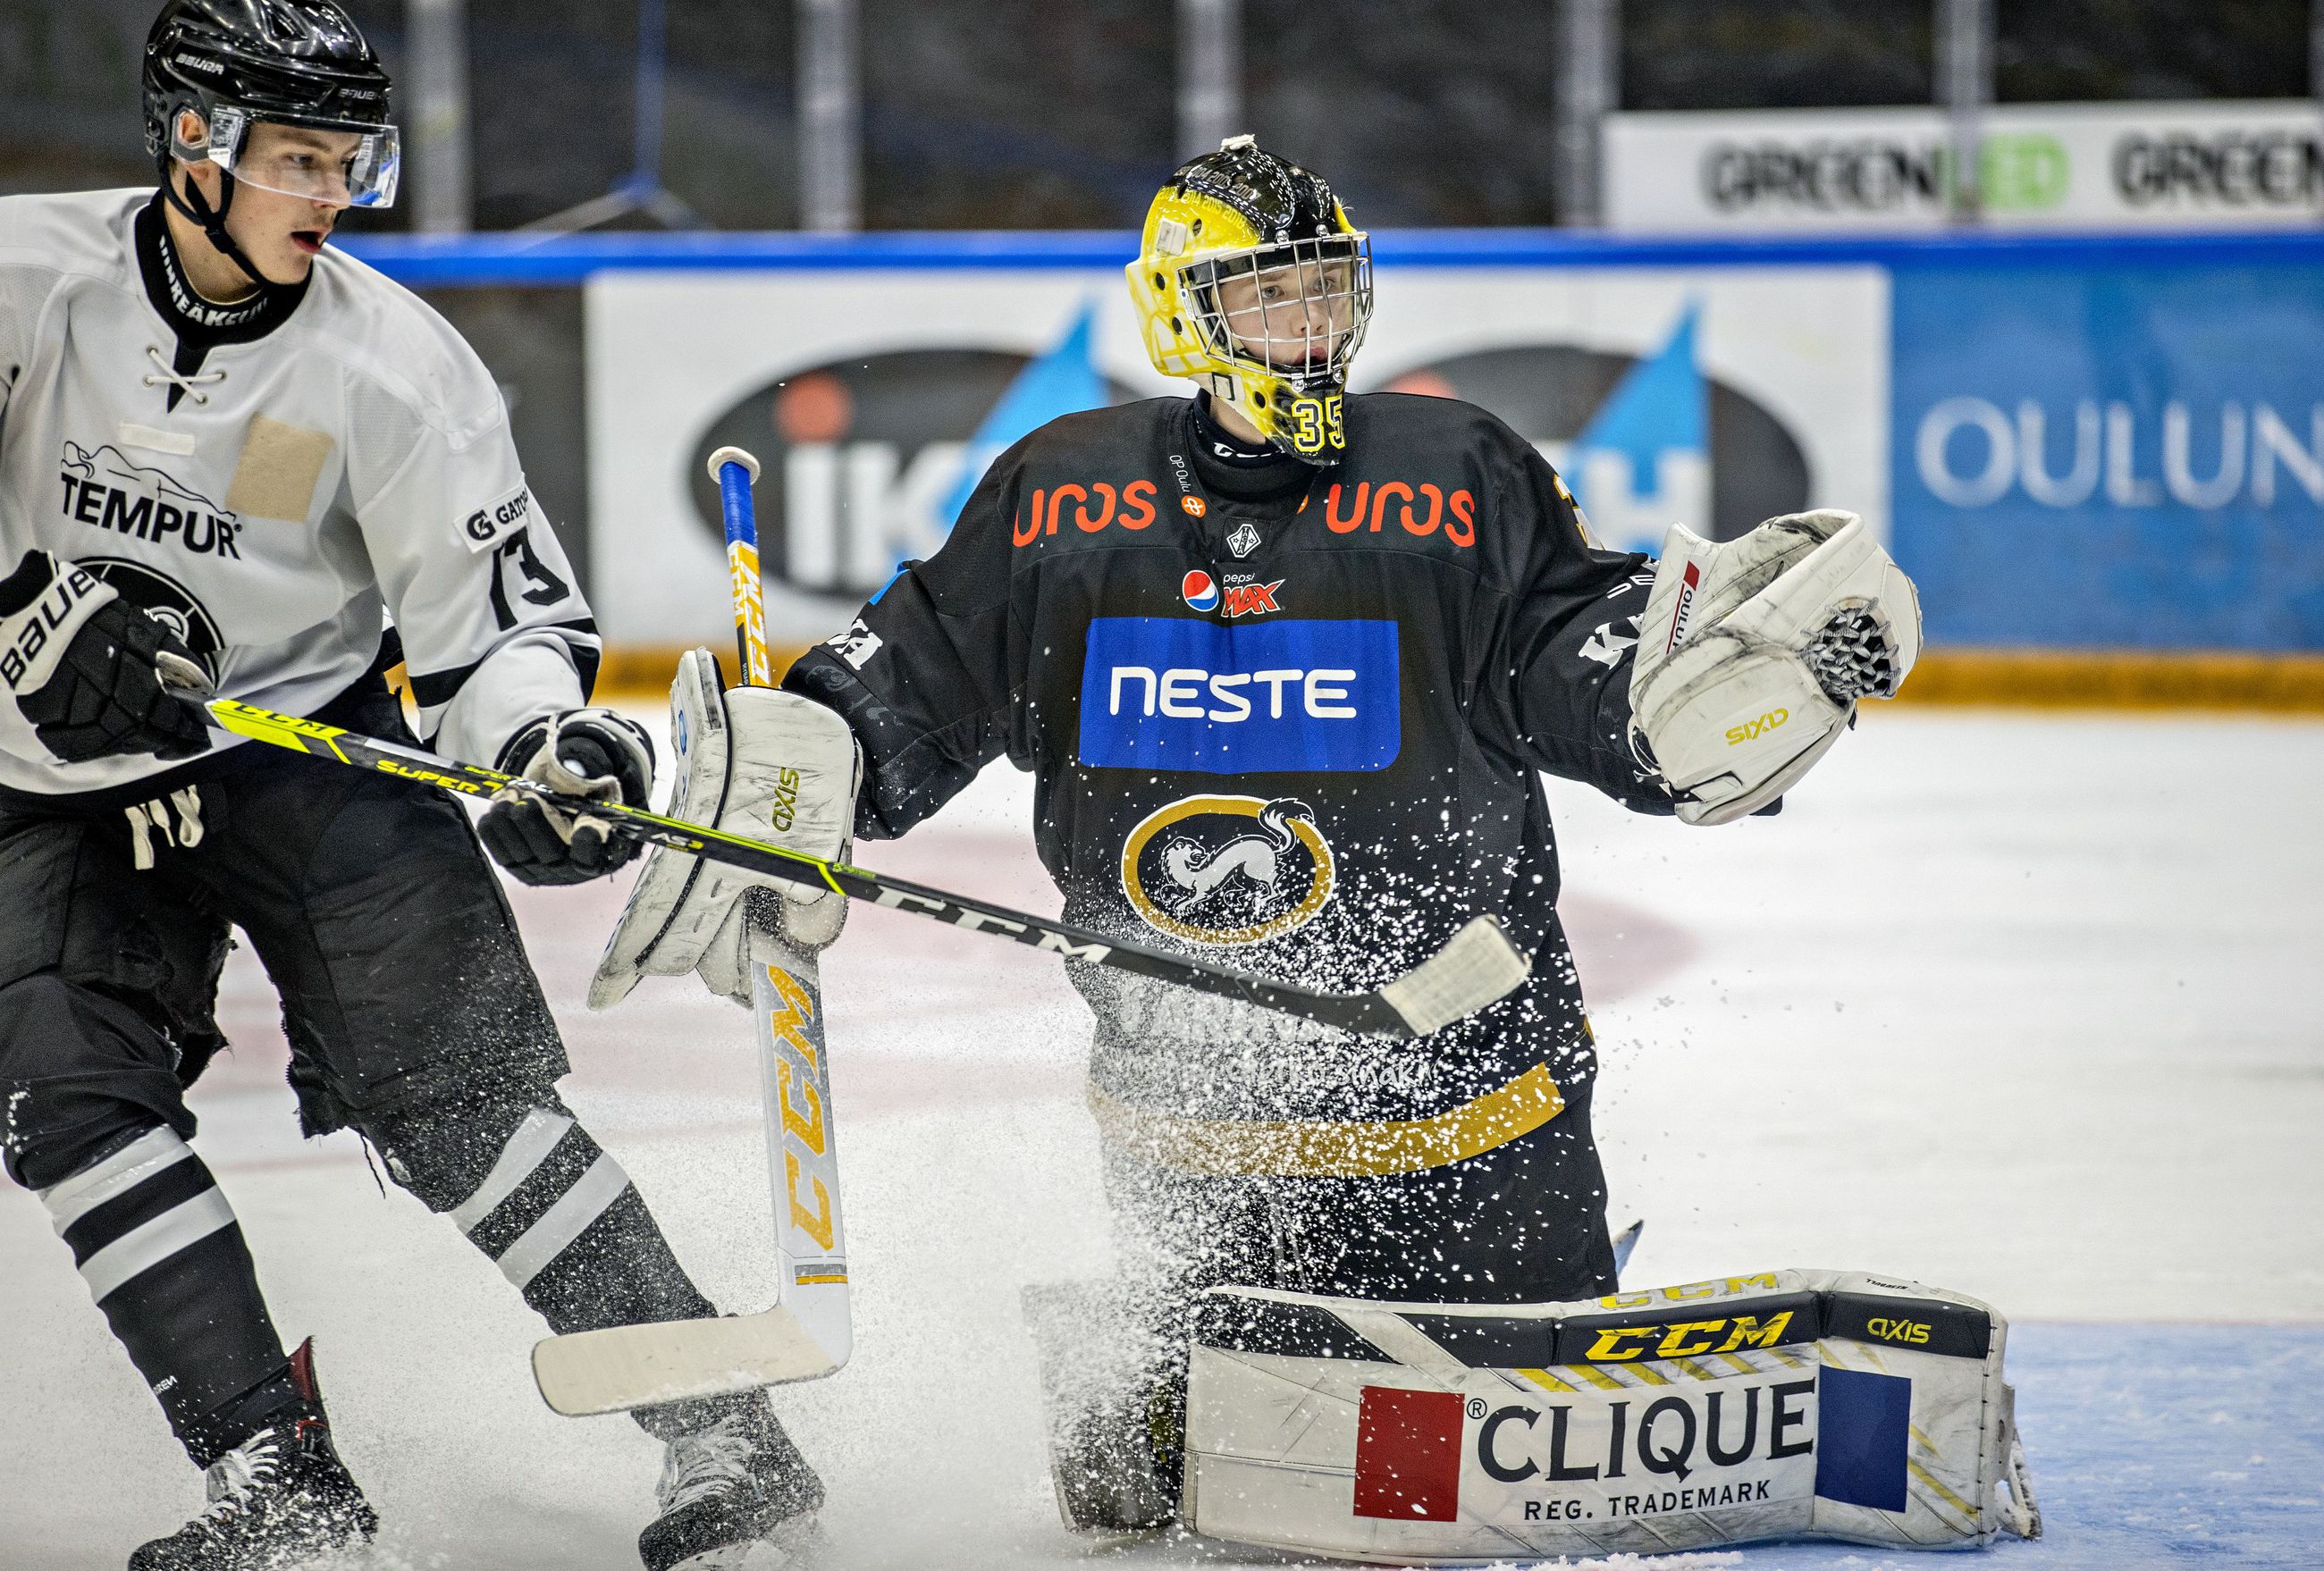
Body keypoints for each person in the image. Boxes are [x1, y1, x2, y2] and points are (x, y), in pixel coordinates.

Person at [604, 137, 1921, 1535]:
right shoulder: (1062, 499)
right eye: (1269, 298)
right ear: (1185, 310)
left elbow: (1585, 673)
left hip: (1481, 1118)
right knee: (1182, 1513)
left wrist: (1705, 706)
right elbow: (907, 684)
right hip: (1195, 1147)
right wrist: (801, 764)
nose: (1308, 329)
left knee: (1518, 1516)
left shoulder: (1458, 477)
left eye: (1325, 292)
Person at [0, 4, 820, 1567]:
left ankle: (723, 1418)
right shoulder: (28, 278)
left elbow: (497, 621)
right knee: (69, 1099)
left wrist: (538, 750)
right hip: (46, 781)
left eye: (347, 161)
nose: (331, 194)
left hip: (296, 743)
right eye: (297, 158)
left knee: (461, 1095)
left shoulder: (395, 365)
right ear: (191, 143)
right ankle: (277, 1478)